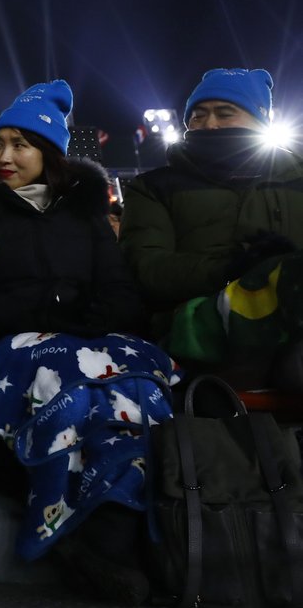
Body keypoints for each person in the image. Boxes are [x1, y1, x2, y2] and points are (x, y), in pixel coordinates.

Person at [0, 80, 180, 605]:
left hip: (90, 339)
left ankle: (128, 537)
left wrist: (93, 317)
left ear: (49, 151)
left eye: (19, 144)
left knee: (136, 392)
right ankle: (89, 542)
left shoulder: (85, 211)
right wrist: (51, 305)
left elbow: (120, 291)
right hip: (12, 346)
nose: (3, 156)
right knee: (67, 386)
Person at [119, 68, 303, 393]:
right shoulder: (154, 188)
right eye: (199, 115)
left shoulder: (296, 182)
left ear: (261, 119)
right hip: (194, 331)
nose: (210, 125)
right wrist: (236, 268)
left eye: (225, 113)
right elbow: (146, 270)